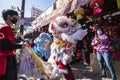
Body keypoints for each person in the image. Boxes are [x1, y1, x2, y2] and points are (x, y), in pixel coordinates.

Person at [0, 9, 26, 80]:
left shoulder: (4, 27)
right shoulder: (6, 28)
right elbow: (6, 46)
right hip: (7, 60)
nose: (17, 19)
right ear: (9, 17)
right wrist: (21, 46)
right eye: (15, 17)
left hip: (6, 59)